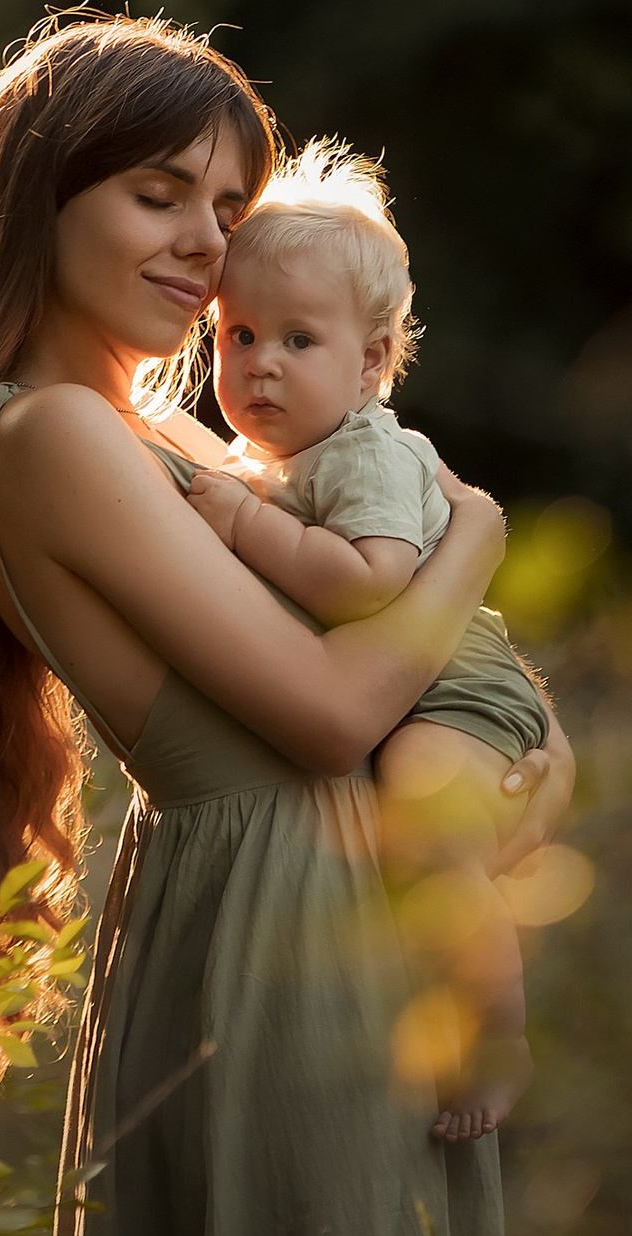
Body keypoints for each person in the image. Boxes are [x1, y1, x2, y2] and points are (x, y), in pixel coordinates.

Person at [0, 11, 575, 1236]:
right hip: (277, 918)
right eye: (156, 192)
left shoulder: (158, 427)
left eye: (227, 203)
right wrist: (483, 538)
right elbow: (337, 712)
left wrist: (533, 770)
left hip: (348, 898)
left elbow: (406, 675)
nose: (206, 241)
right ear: (38, 197)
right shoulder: (53, 433)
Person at [186, 142, 551, 1145]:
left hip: (454, 683)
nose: (258, 361)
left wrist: (243, 524)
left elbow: (375, 580)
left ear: (372, 360)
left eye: (297, 338)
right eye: (239, 333)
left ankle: (494, 1032)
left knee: (429, 824)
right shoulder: (275, 454)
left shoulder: (361, 455)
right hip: (417, 674)